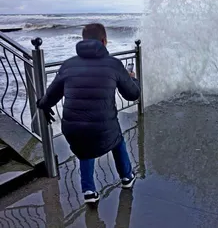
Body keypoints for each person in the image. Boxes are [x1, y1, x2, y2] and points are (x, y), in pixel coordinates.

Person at [37, 23, 141, 204]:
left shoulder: (68, 65)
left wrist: (42, 105)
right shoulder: (114, 65)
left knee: (84, 147)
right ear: (104, 41)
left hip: (71, 128)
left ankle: (89, 191)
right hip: (103, 127)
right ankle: (126, 177)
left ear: (83, 40)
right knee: (116, 138)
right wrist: (133, 79)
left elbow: (50, 96)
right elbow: (133, 94)